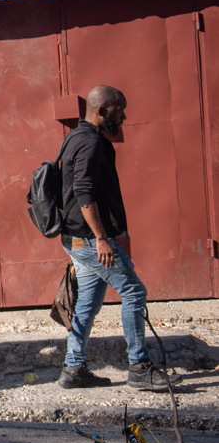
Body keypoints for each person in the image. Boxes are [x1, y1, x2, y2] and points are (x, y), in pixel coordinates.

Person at [58, 84, 168, 391]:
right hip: (92, 241)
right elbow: (84, 194)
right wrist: (103, 239)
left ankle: (74, 369)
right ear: (102, 111)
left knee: (87, 304)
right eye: (120, 110)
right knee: (134, 292)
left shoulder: (76, 138)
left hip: (79, 240)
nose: (124, 116)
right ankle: (139, 367)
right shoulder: (90, 143)